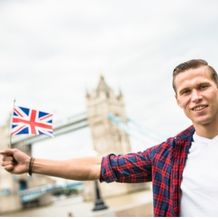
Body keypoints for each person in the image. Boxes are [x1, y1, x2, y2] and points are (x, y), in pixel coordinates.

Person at [1, 59, 218, 216]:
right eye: (186, 91)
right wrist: (30, 163)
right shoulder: (167, 155)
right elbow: (97, 167)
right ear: (178, 100)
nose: (196, 97)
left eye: (203, 86)